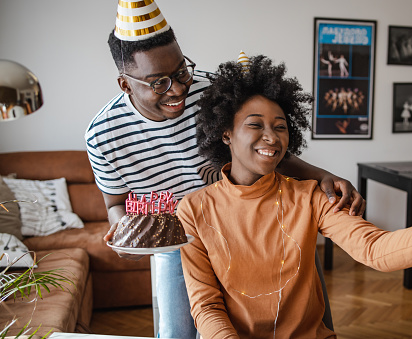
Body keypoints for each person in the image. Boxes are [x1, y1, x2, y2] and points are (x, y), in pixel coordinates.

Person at [85, 2, 365, 338]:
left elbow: (264, 149)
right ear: (126, 84)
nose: (177, 89)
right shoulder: (103, 136)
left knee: (312, 322)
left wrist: (322, 176)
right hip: (180, 239)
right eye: (158, 83)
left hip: (250, 221)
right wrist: (127, 236)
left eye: (181, 71)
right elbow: (115, 204)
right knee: (178, 332)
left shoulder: (210, 92)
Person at [177, 54, 412, 338]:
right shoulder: (193, 210)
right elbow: (206, 307)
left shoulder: (309, 197)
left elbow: (376, 250)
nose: (271, 137)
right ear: (226, 133)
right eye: (255, 125)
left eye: (281, 126)